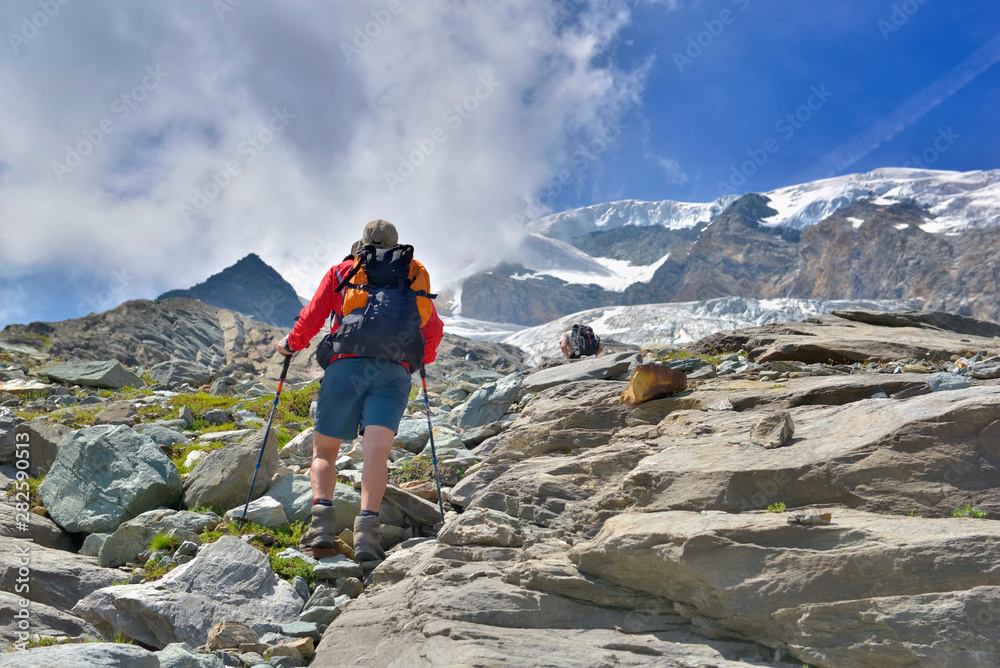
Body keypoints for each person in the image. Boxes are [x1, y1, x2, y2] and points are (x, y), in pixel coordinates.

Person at [277, 220, 443, 562]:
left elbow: (312, 316)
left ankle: (322, 526)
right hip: (393, 371)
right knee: (376, 454)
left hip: (346, 367)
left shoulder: (344, 271)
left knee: (324, 453)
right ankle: (367, 535)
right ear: (397, 244)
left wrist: (290, 345)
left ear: (362, 244)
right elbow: (433, 327)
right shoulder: (412, 274)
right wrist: (417, 361)